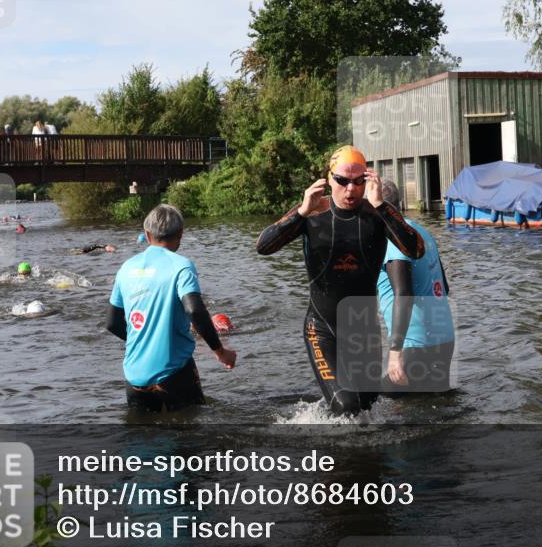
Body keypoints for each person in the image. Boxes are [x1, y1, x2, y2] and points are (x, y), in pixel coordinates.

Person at [255, 145, 424, 416]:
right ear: (329, 179)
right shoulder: (313, 211)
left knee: (368, 407)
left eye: (358, 182)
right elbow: (263, 247)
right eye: (342, 181)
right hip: (322, 328)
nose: (350, 190)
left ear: (368, 180)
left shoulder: (377, 214)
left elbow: (416, 250)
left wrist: (381, 206)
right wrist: (300, 212)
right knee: (347, 405)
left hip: (364, 330)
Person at [107, 204, 237, 412]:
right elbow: (194, 309)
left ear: (147, 235)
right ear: (181, 234)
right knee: (192, 436)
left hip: (134, 377)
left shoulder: (126, 268)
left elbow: (112, 323)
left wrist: (144, 340)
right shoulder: (181, 266)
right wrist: (220, 351)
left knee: (143, 440)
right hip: (174, 372)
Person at [376, 180, 455, 393]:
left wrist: (395, 352)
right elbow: (444, 289)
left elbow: (404, 295)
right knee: (434, 405)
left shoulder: (392, 240)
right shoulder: (423, 233)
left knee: (372, 402)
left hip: (414, 344)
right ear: (399, 204)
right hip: (444, 339)